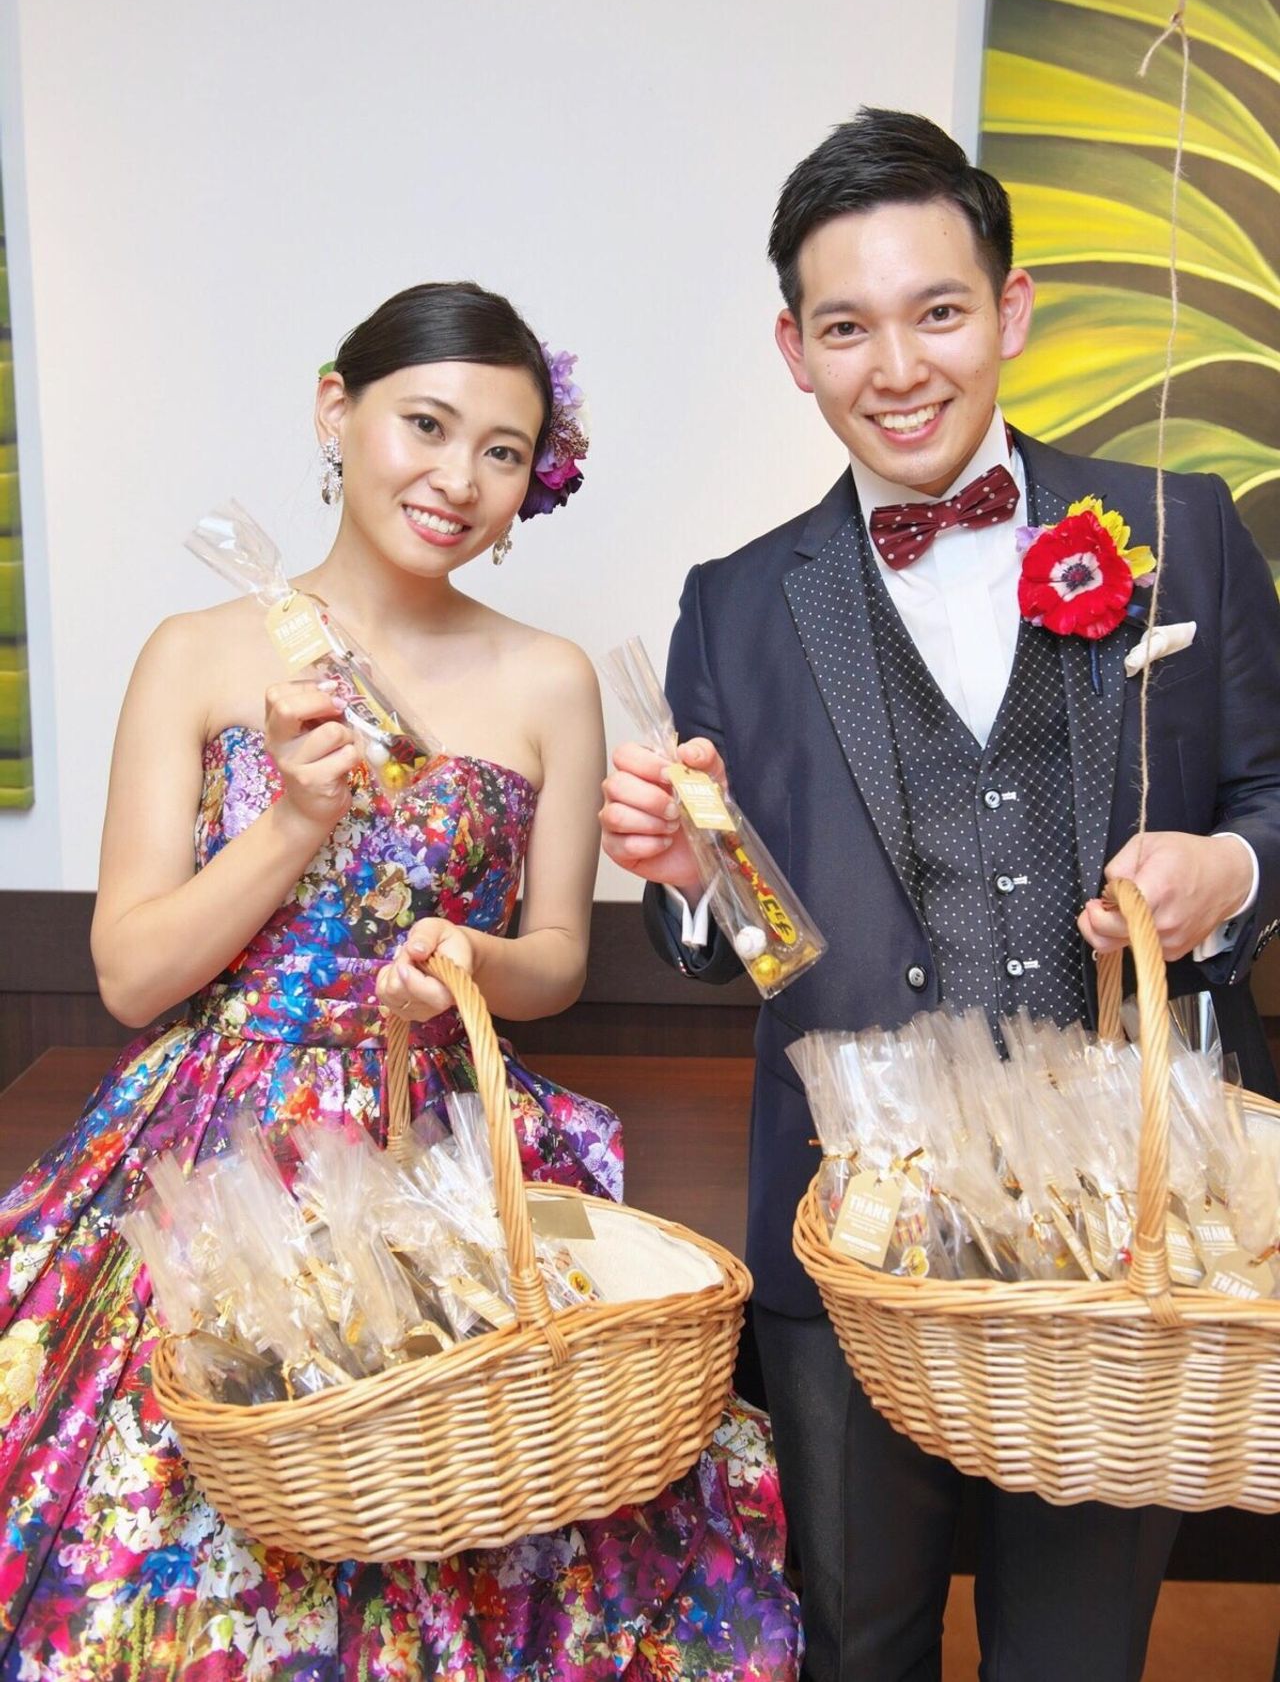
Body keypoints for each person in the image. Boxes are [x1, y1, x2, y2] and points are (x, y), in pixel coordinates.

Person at [0, 281, 801, 1679]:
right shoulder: (195, 654)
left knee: (489, 1502)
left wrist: (471, 960)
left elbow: (557, 961)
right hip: (217, 1153)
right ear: (337, 409)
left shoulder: (550, 678)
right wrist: (293, 822)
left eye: (502, 450)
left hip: (444, 1142)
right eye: (425, 424)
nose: (458, 478)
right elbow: (129, 973)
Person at [600, 111, 1280, 1682]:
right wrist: (698, 883)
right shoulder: (734, 602)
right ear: (794, 350)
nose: (898, 366)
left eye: (939, 310)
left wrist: (1225, 871)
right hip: (850, 1229)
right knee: (858, 1644)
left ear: (1011, 310)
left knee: (1075, 1657)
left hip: (1129, 1232)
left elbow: (1270, 794)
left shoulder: (1183, 528)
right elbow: (726, 937)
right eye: (847, 326)